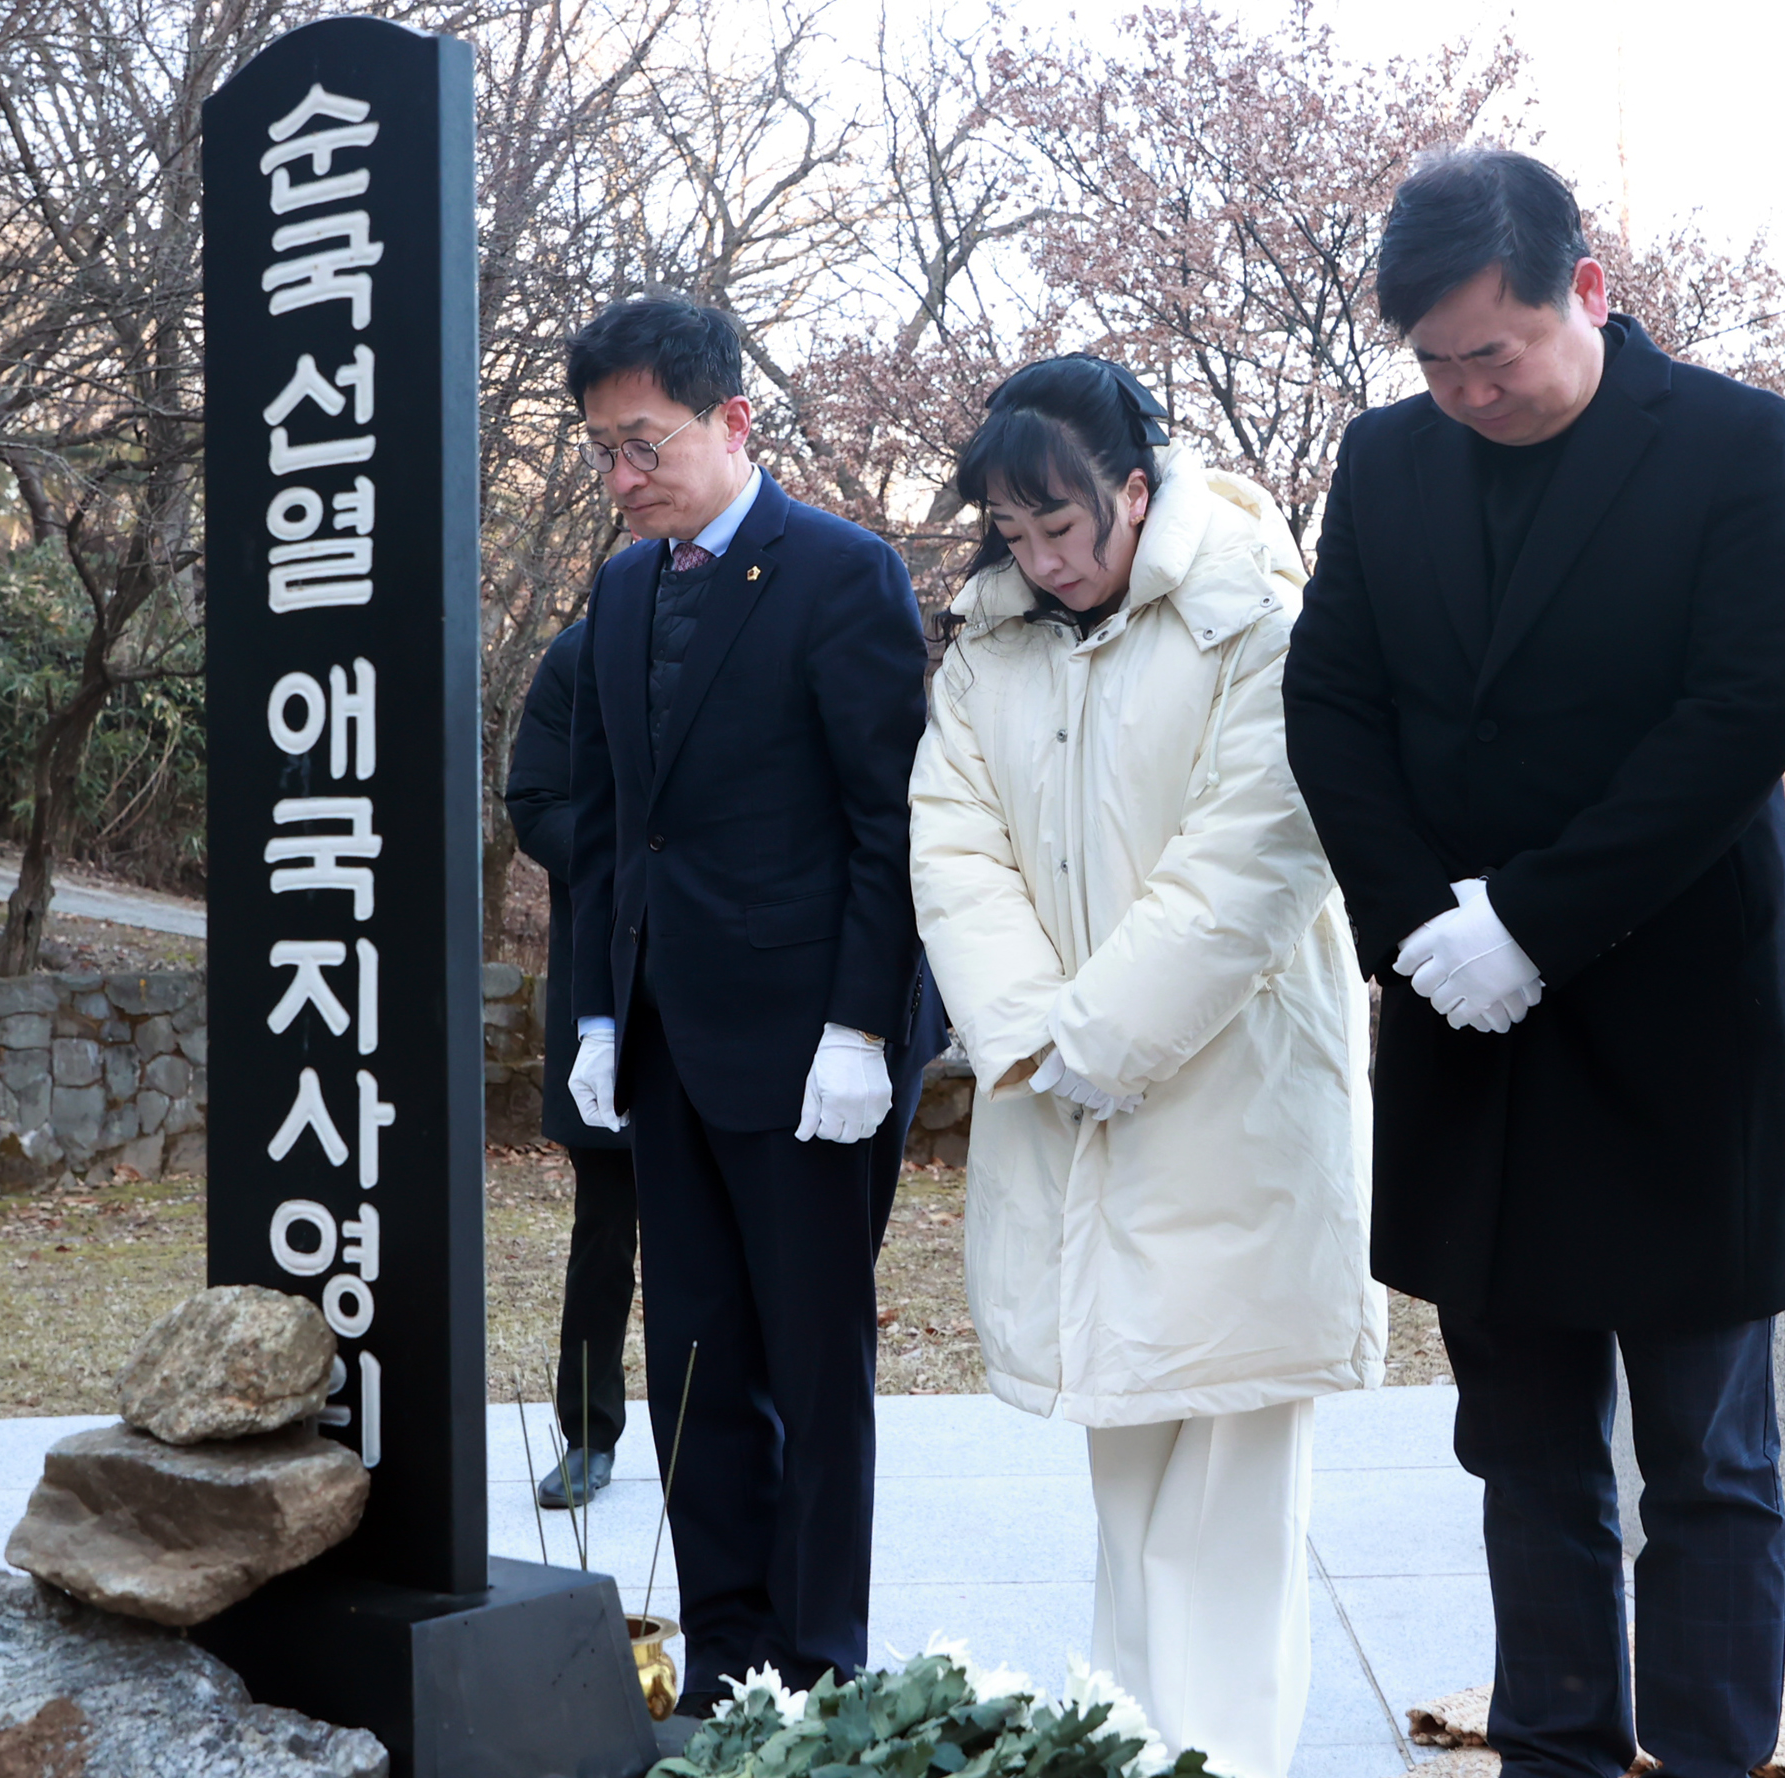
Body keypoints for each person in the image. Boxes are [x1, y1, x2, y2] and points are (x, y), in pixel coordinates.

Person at [1282, 148, 1785, 1778]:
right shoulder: (1385, 465)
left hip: (1669, 1029)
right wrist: (1421, 929)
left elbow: (1737, 714)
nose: (1460, 390)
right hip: (1471, 1026)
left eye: (1491, 352)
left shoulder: (1735, 446)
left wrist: (1533, 915)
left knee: (1706, 1459)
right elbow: (1333, 701)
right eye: (1433, 362)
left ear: (1584, 291)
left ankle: (1716, 1759)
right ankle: (1557, 1755)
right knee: (1524, 1453)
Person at [909, 354, 1382, 1778]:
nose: (1042, 560)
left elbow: (1255, 850)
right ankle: (1127, 1748)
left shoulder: (1256, 615)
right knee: (1125, 1453)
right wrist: (1039, 1038)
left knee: (1231, 1478)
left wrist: (1103, 1034)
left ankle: (1220, 1758)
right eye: (1014, 532)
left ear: (1133, 485)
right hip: (1070, 1106)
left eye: (1063, 528)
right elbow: (954, 843)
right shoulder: (986, 646)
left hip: (1232, 1100)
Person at [562, 295, 938, 1706]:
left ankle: (821, 1664)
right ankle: (725, 1660)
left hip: (810, 1049)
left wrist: (862, 1024)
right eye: (601, 450)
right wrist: (598, 1019)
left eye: (641, 441)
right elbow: (605, 831)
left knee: (813, 1366)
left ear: (732, 421)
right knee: (693, 1359)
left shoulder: (843, 575)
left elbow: (885, 824)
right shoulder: (618, 591)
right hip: (663, 1039)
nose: (621, 476)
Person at [504, 618, 640, 1510]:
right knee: (605, 1229)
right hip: (605, 975)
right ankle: (587, 1434)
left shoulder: (760, 633)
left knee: (737, 1232)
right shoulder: (584, 649)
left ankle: (732, 1437)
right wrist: (638, 858)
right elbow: (535, 803)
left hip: (734, 983)